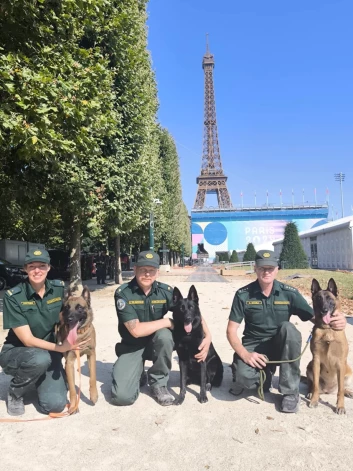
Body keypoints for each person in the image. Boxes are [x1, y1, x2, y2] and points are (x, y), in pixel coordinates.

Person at [226, 249, 346, 413]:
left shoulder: (289, 293)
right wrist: (245, 355)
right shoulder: (243, 295)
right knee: (242, 378)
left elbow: (315, 316)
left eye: (270, 268)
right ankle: (265, 376)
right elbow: (231, 331)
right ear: (255, 268)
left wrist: (338, 320)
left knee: (288, 329)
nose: (266, 272)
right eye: (262, 268)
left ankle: (290, 392)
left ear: (277, 269)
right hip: (254, 348)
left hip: (280, 346)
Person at [111, 250, 212, 407]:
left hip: (156, 343)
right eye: (143, 269)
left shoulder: (165, 292)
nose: (147, 274)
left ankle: (158, 383)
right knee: (122, 397)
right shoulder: (124, 294)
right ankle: (136, 372)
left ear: (157, 272)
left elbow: (191, 311)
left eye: (151, 270)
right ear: (135, 269)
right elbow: (135, 330)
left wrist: (208, 336)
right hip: (132, 346)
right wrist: (166, 322)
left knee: (165, 336)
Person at [0, 248, 87, 416]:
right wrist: (61, 348)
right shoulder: (14, 296)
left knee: (55, 405)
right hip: (18, 352)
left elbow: (69, 316)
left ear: (49, 268)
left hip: (49, 351)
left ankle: (39, 377)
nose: (37, 270)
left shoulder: (59, 289)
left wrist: (76, 336)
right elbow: (27, 340)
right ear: (25, 269)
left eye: (42, 266)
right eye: (32, 266)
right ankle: (15, 392)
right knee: (40, 359)